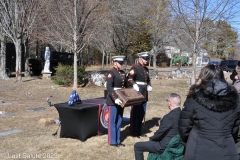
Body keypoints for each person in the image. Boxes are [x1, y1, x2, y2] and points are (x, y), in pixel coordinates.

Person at [178, 65, 240, 160]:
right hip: (227, 149)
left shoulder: (195, 98)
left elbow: (184, 127)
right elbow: (235, 130)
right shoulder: (234, 100)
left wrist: (190, 141)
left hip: (198, 148)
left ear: (203, 77)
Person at [134, 93, 181, 160]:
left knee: (138, 146)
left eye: (167, 101)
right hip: (177, 145)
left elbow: (159, 134)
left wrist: (151, 139)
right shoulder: (182, 115)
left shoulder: (169, 117)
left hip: (164, 146)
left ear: (169, 103)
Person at [128, 52, 152, 138]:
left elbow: (148, 80)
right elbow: (129, 78)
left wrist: (149, 85)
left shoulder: (146, 69)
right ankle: (133, 132)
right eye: (145, 59)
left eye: (147, 59)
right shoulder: (135, 68)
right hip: (137, 93)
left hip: (144, 93)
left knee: (141, 113)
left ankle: (139, 131)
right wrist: (134, 84)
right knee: (135, 113)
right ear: (140, 58)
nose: (146, 61)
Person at [106, 55, 128, 147]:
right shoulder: (111, 73)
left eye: (122, 63)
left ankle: (118, 140)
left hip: (121, 98)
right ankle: (112, 141)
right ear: (114, 63)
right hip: (113, 99)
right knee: (113, 121)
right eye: (120, 63)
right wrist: (115, 98)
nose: (121, 64)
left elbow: (126, 86)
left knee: (119, 120)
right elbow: (109, 87)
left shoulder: (122, 73)